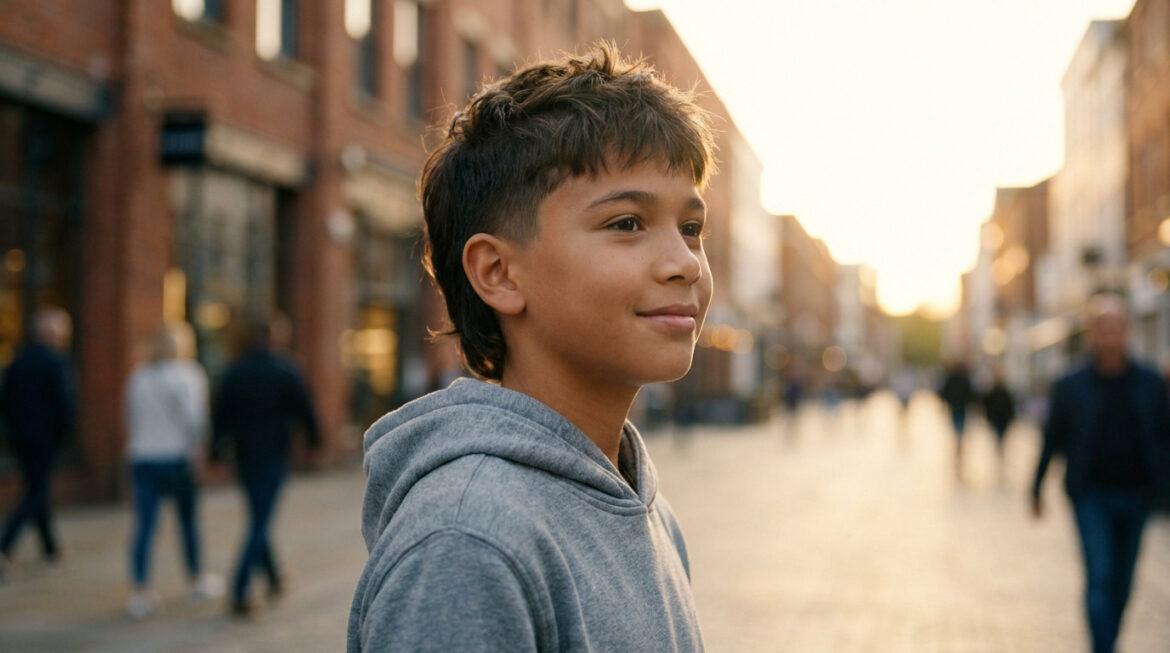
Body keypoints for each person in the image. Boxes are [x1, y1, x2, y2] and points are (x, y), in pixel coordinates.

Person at [348, 43, 711, 651]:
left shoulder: (647, 509)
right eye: (626, 223)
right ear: (498, 273)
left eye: (692, 228)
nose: (684, 263)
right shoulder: (466, 544)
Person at [1031, 294, 1170, 653]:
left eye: (1116, 328)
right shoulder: (1070, 385)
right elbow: (1052, 438)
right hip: (1090, 495)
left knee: (1123, 581)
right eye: (1102, 329)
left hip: (1137, 495)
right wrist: (1036, 486)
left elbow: (1164, 436)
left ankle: (1108, 641)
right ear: (1092, 333)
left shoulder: (1151, 383)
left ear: (1127, 331)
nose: (1110, 337)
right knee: (1101, 574)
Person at [212, 317, 320, 617]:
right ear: (274, 338)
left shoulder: (236, 370)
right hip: (274, 454)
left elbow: (220, 413)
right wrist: (313, 443)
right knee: (260, 520)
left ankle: (273, 578)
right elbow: (305, 408)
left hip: (245, 456)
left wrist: (215, 452)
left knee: (259, 515)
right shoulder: (285, 369)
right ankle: (239, 589)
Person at [123, 323, 223, 618]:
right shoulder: (188, 375)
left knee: (144, 526)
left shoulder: (138, 376)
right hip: (177, 458)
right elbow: (195, 420)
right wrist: (200, 450)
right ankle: (195, 580)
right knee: (187, 522)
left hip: (143, 457)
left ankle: (140, 592)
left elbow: (130, 417)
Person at [0, 308, 75, 575]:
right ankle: (5, 544)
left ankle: (50, 547)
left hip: (20, 438)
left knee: (38, 487)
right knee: (35, 491)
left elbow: (5, 400)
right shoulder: (55, 362)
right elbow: (64, 403)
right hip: (45, 439)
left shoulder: (18, 360)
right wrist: (65, 434)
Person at [938, 359, 974, 479]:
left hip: (955, 408)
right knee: (960, 429)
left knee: (957, 429)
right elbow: (970, 395)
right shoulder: (964, 378)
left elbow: (944, 392)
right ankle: (959, 446)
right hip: (961, 408)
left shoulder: (952, 378)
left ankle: (958, 446)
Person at [981, 370, 1016, 475]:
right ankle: (1000, 447)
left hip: (998, 418)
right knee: (1000, 435)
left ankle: (999, 447)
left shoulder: (996, 392)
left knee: (999, 434)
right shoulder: (1003, 392)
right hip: (1001, 418)